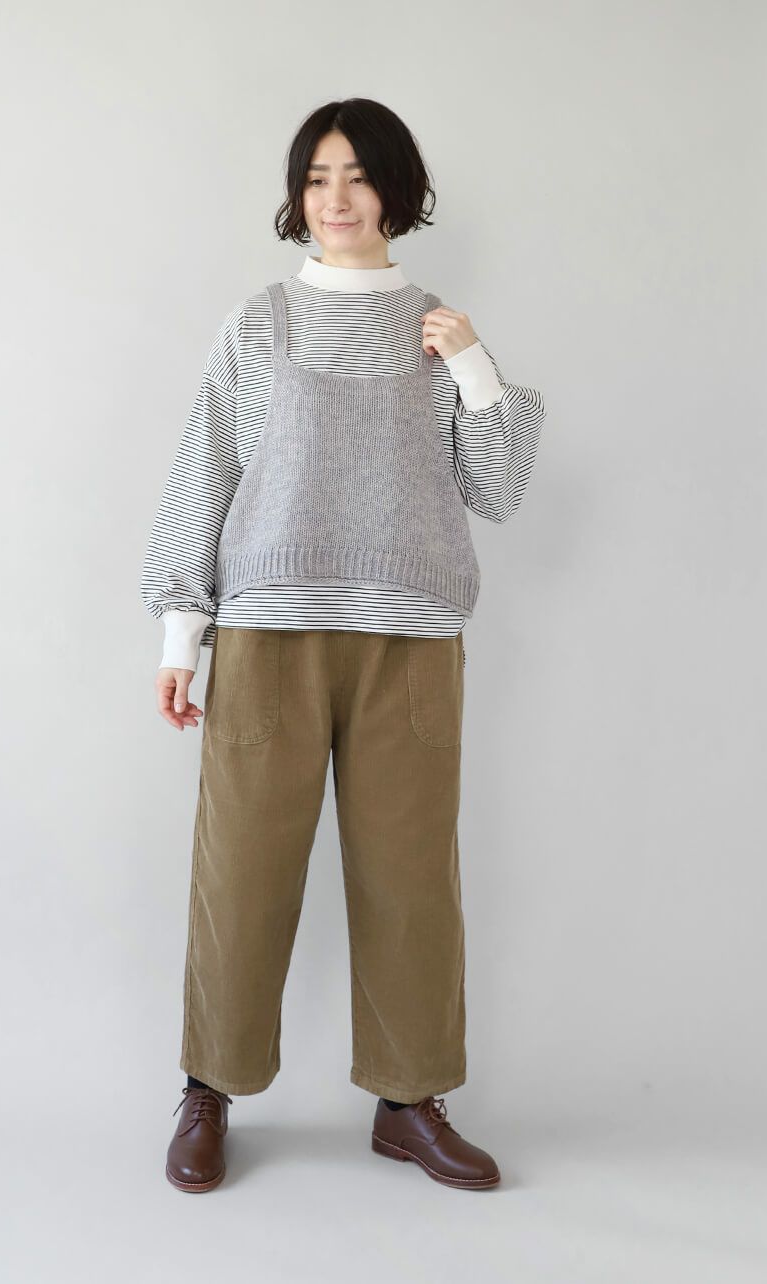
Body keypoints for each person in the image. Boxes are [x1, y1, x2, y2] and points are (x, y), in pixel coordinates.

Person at [140, 97, 546, 1193]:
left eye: (358, 176)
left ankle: (409, 1102)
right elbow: (206, 468)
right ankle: (208, 1089)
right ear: (297, 196)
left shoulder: (437, 329)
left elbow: (497, 490)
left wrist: (474, 365)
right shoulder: (260, 323)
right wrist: (182, 635)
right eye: (318, 177)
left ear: (396, 191)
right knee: (241, 874)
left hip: (408, 645)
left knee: (411, 883)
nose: (336, 198)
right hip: (267, 639)